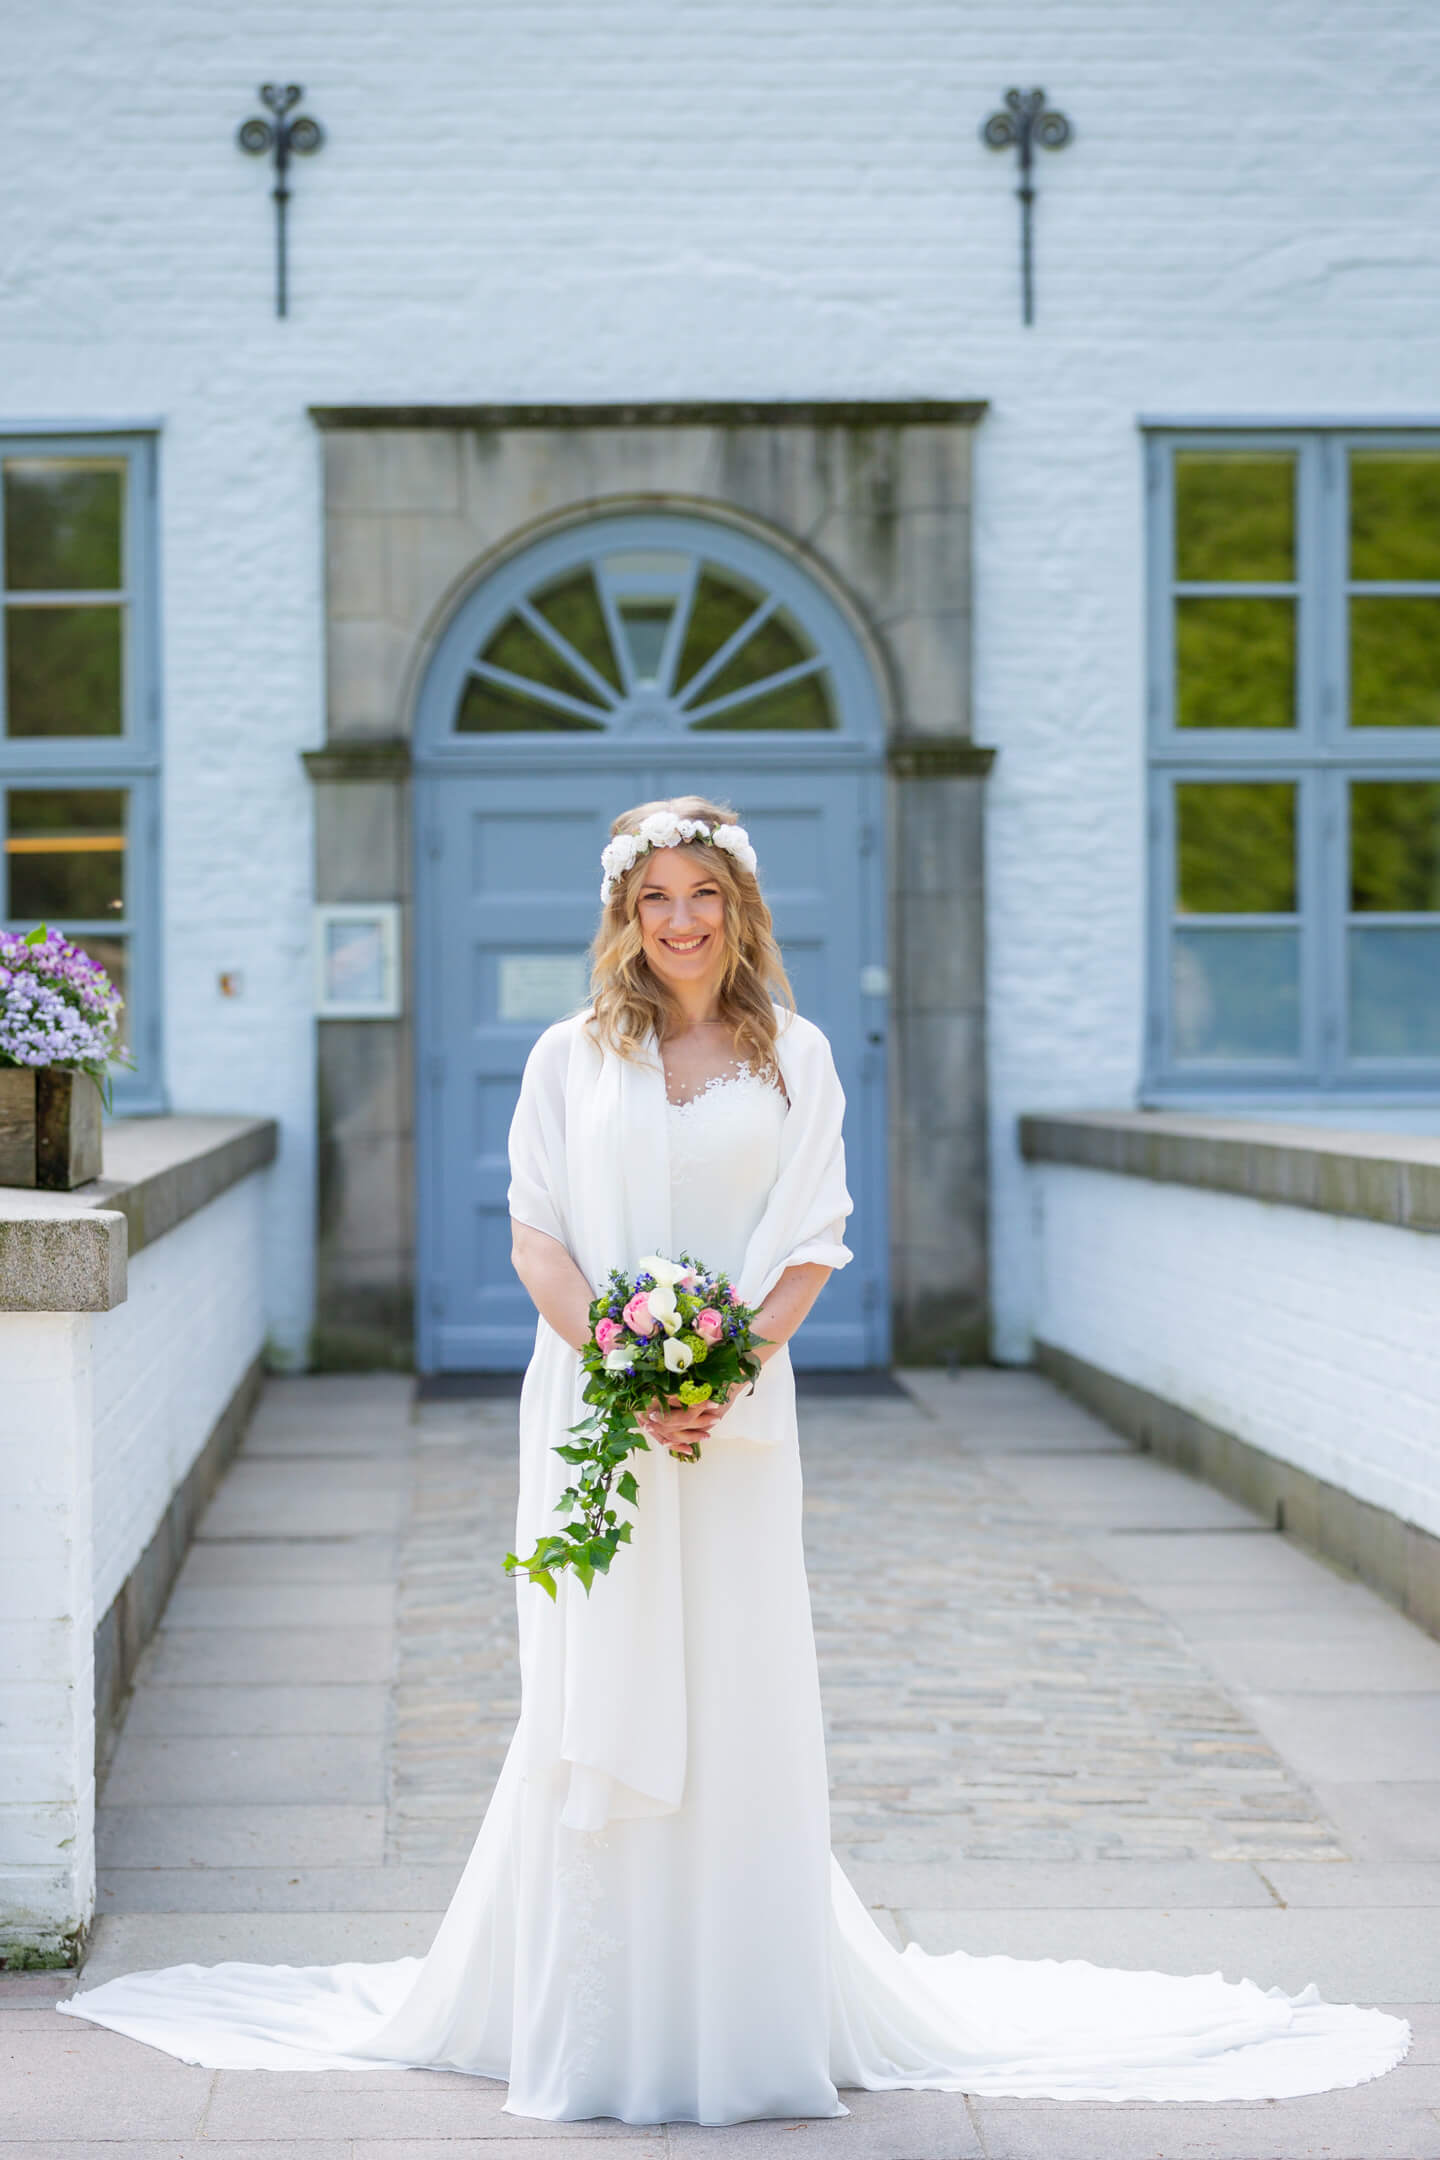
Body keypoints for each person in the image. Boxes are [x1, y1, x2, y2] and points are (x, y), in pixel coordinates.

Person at [58, 796, 1409, 2119]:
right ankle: (598, 2020)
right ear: (623, 913)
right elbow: (537, 1236)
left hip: (739, 1430)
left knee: (732, 1686)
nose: (683, 920)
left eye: (705, 895)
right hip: (593, 1416)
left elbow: (813, 1239)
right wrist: (624, 1370)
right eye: (657, 898)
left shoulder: (797, 1059)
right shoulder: (566, 1059)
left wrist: (710, 1376)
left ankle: (741, 2014)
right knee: (601, 1681)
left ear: (740, 906)